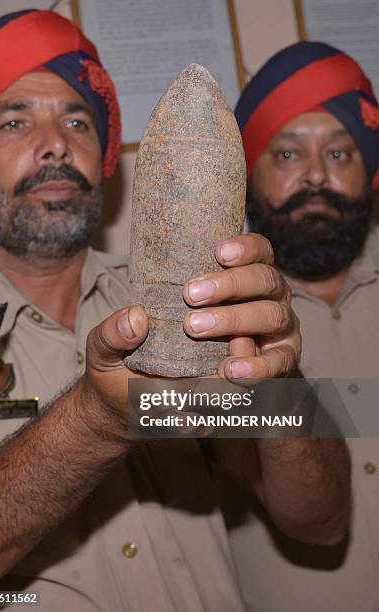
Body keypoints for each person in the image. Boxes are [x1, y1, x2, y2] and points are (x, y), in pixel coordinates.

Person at [0, 13, 350, 611]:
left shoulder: (198, 301)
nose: (55, 143)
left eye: (77, 120)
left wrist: (279, 389)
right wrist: (95, 420)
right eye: (14, 120)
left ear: (106, 160)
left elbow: (322, 523)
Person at [231, 41, 379, 611]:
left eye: (340, 154)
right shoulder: (211, 322)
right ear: (250, 173)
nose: (317, 176)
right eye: (288, 155)